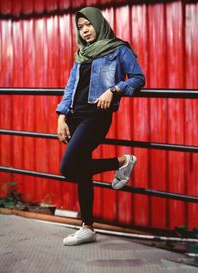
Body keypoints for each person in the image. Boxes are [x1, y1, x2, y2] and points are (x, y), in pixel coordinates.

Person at [56, 7, 145, 246]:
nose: (85, 30)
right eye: (80, 27)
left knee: (69, 168)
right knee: (83, 169)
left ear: (99, 23)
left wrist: (115, 89)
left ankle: (122, 162)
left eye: (88, 25)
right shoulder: (82, 54)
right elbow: (70, 85)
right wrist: (61, 116)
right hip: (75, 116)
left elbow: (138, 78)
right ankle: (87, 227)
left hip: (96, 117)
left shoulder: (118, 49)